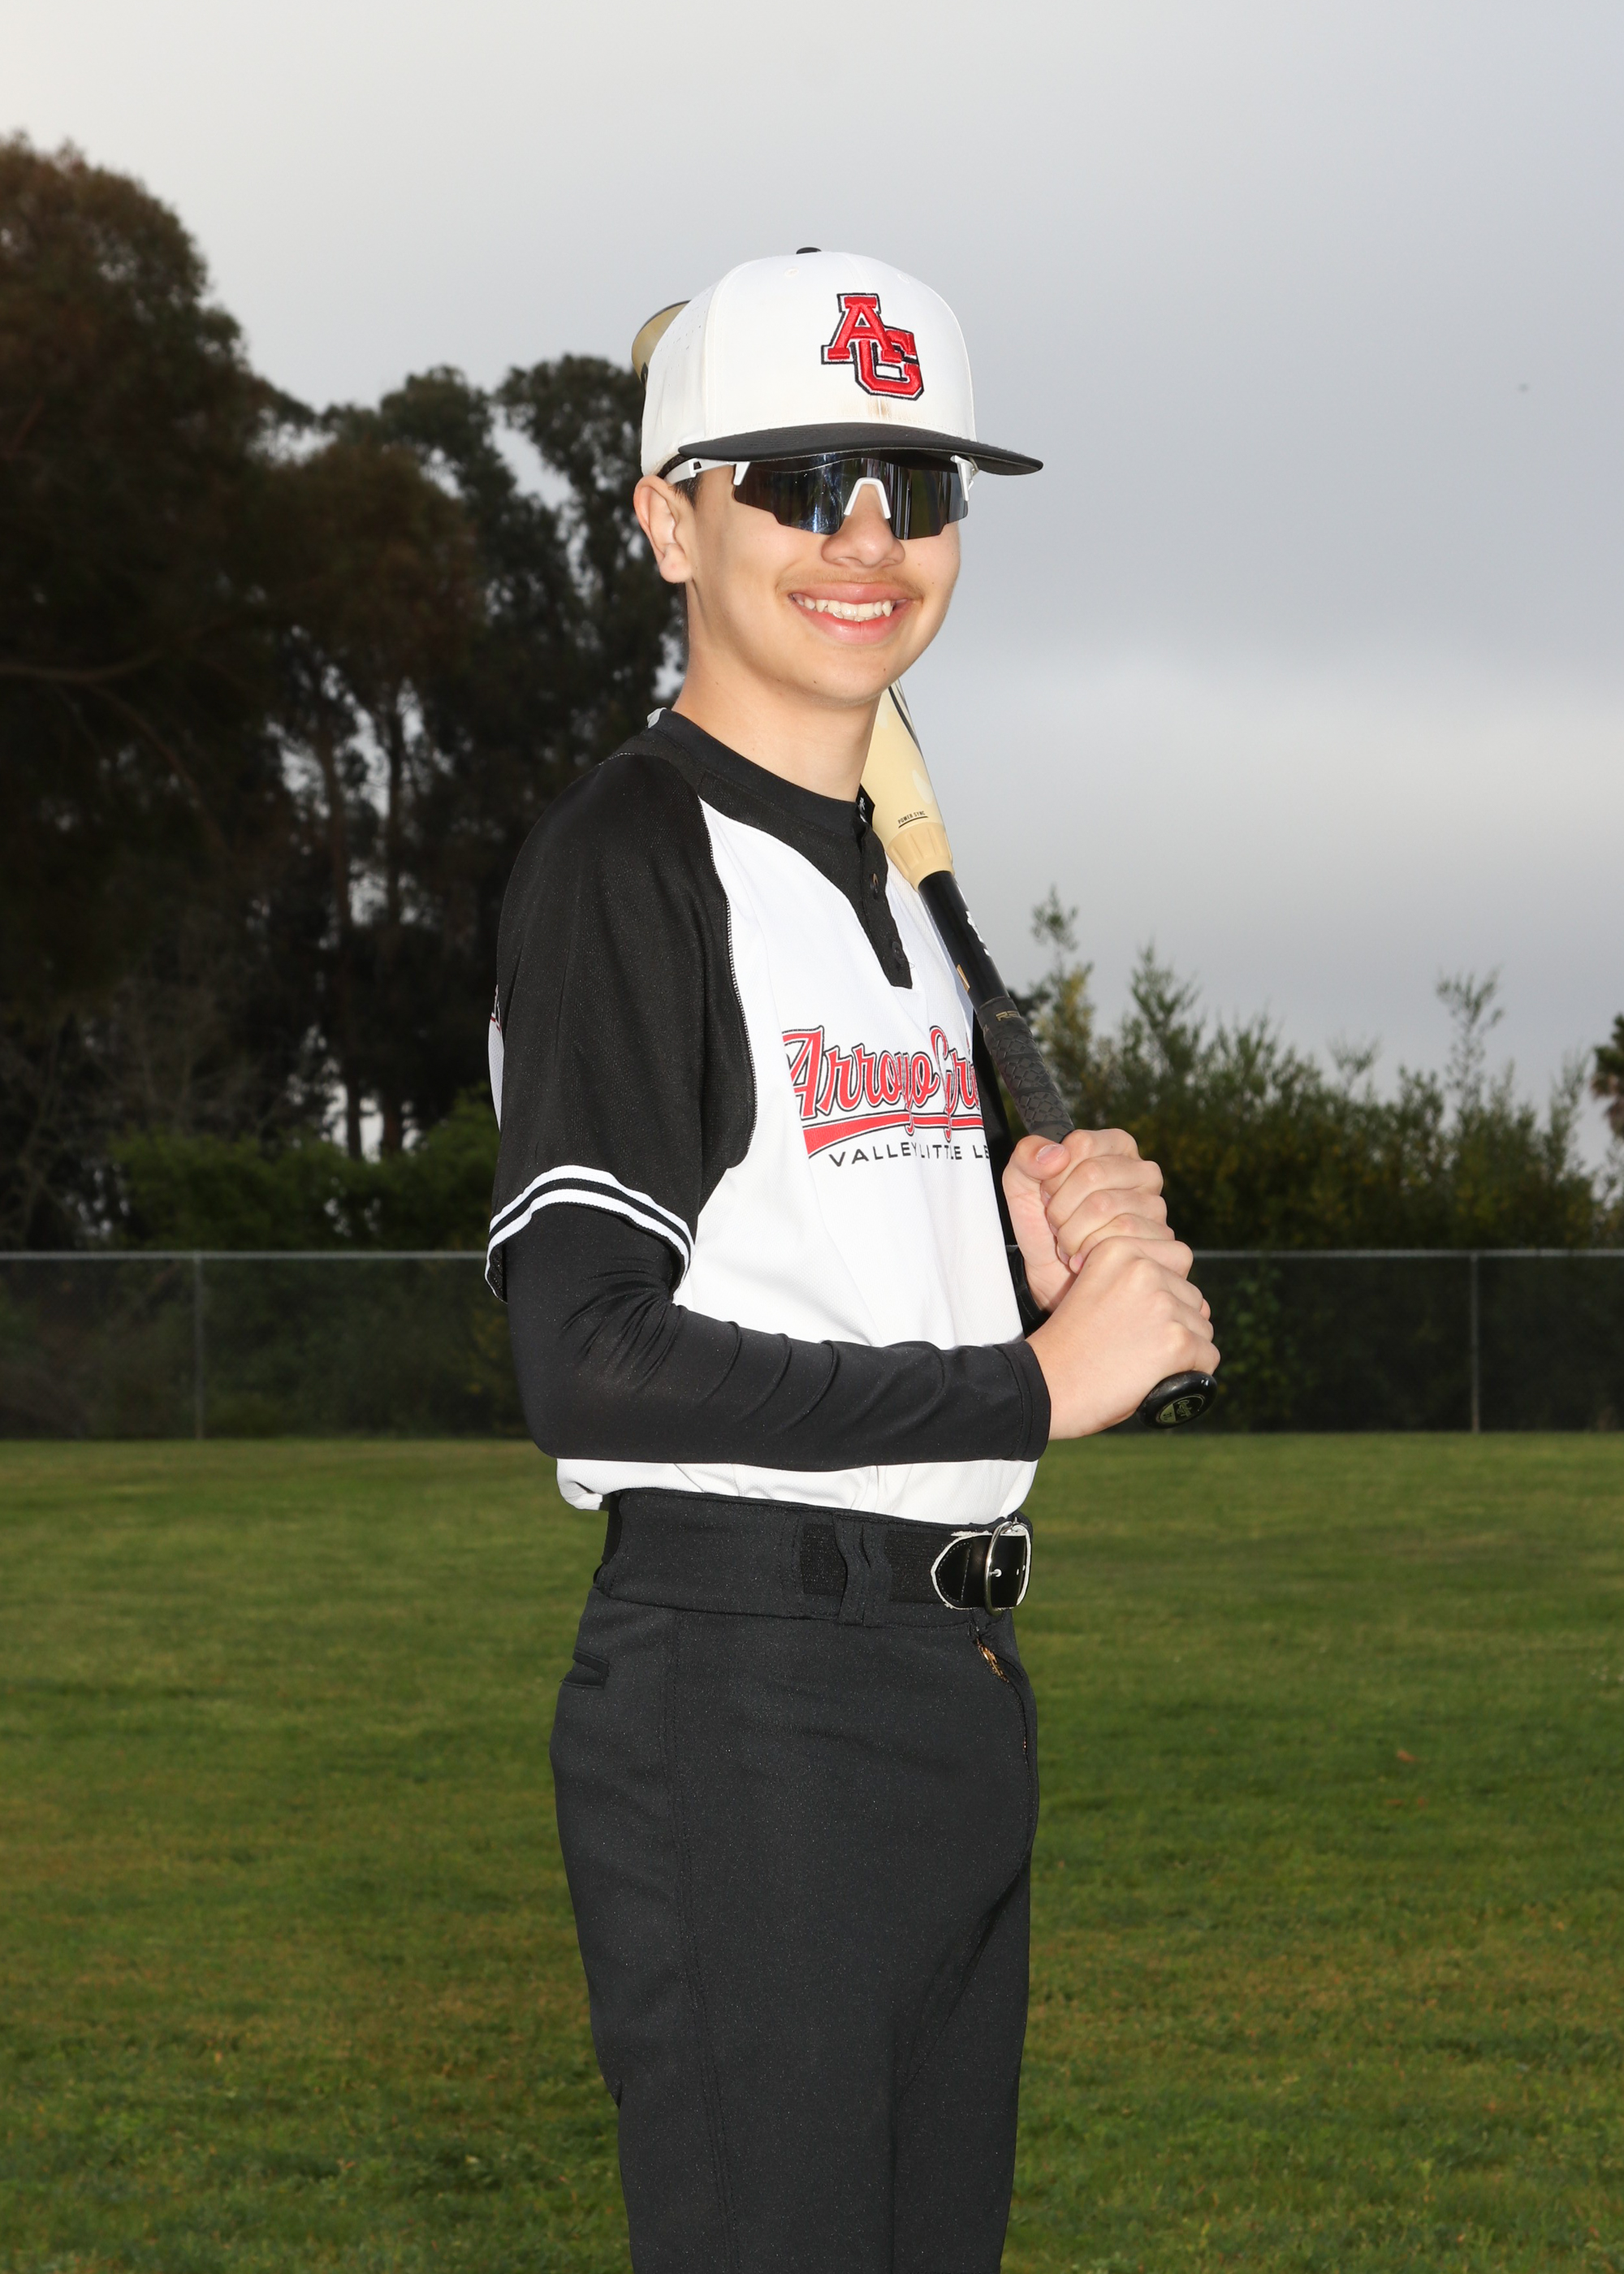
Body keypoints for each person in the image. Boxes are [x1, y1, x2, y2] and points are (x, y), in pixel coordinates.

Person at [486, 249, 1218, 2274]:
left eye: (915, 483)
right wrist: (1031, 1381)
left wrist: (1030, 1263)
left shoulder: (891, 892)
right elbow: (587, 1354)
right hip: (748, 1704)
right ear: (669, 522)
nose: (867, 536)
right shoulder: (633, 858)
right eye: (800, 478)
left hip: (945, 1682)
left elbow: (819, 1267)